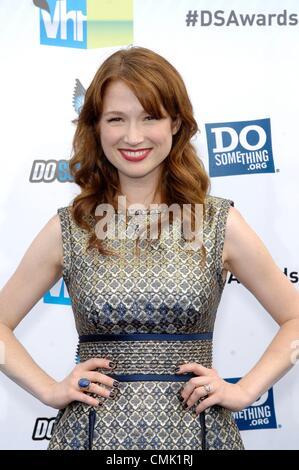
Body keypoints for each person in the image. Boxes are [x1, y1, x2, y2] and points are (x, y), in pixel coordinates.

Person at [0, 46, 298, 451]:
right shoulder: (68, 228)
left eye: (150, 117)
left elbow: (294, 319)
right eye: (116, 119)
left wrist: (244, 391)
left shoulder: (217, 223)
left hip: (199, 437)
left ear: (175, 122)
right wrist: (49, 390)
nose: (133, 136)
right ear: (96, 127)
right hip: (90, 437)